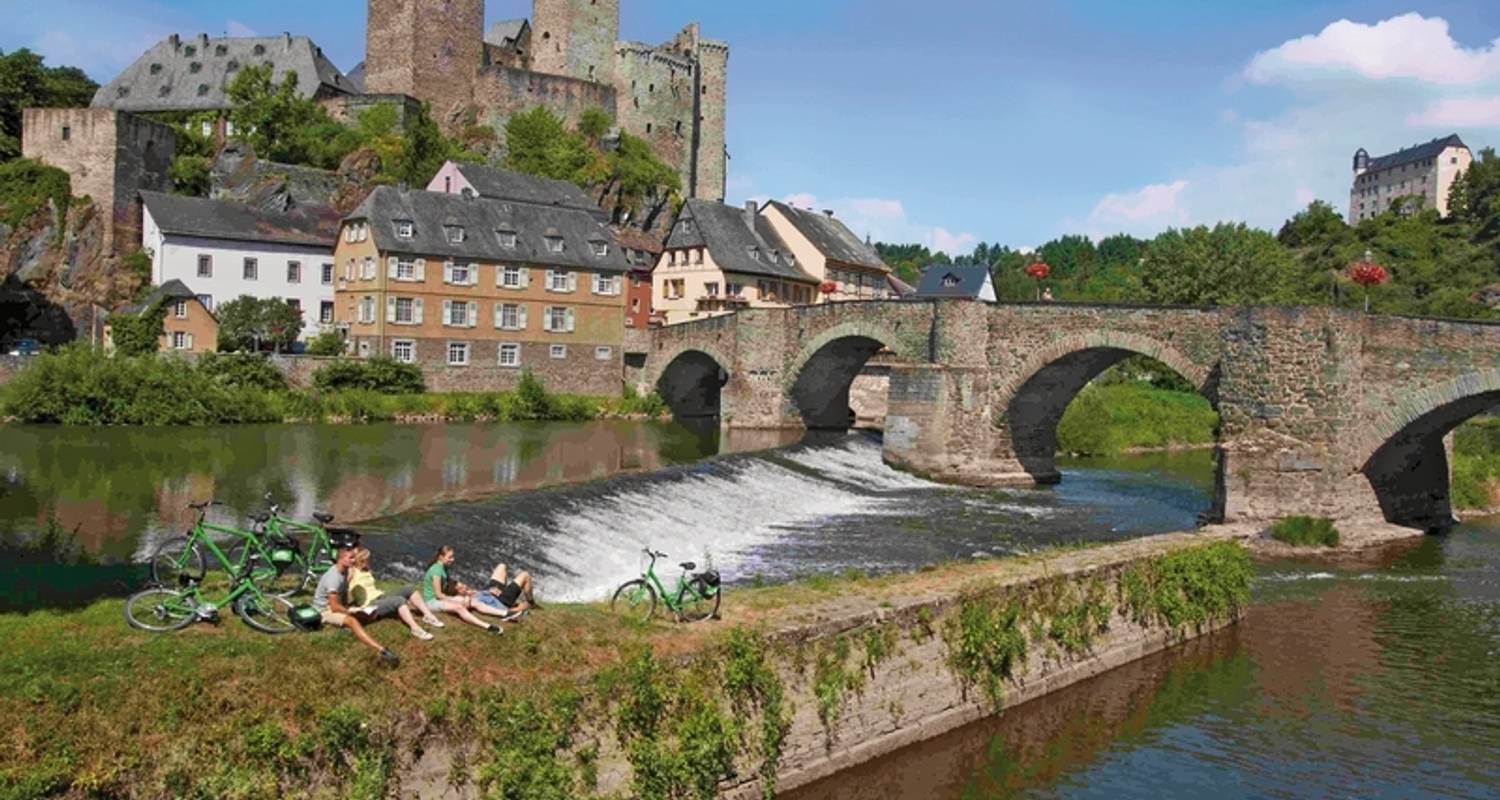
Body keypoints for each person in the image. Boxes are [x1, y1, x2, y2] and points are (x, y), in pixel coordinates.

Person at [314, 545, 400, 664]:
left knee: (366, 615)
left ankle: (348, 626)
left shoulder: (344, 572)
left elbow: (343, 593)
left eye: (354, 558)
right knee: (352, 621)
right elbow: (333, 606)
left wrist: (349, 607)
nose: (354, 560)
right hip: (324, 610)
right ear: (341, 559)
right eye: (350, 558)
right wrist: (348, 611)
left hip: (335, 606)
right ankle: (382, 651)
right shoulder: (333, 577)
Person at [346, 548, 445, 640]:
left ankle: (428, 616)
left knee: (409, 588)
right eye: (366, 559)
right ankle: (415, 628)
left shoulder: (366, 569)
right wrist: (345, 606)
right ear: (360, 559)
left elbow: (369, 587)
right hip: (369, 604)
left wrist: (380, 592)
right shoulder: (351, 571)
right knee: (399, 600)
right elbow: (342, 586)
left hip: (380, 596)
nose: (368, 561)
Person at [421, 545, 504, 633]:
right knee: (459, 607)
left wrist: (467, 594)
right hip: (431, 602)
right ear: (441, 557)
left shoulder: (443, 568)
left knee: (473, 601)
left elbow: (451, 584)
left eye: (453, 556)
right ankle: (487, 626)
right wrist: (455, 600)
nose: (453, 559)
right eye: (450, 557)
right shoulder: (436, 570)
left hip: (439, 599)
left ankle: (504, 613)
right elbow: (438, 595)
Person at [470, 563, 536, 620]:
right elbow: (483, 608)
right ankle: (531, 602)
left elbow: (472, 594)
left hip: (487, 593)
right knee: (525, 575)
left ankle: (506, 591)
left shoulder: (465, 595)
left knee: (501, 566)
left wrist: (487, 592)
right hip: (500, 601)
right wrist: (516, 609)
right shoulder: (468, 604)